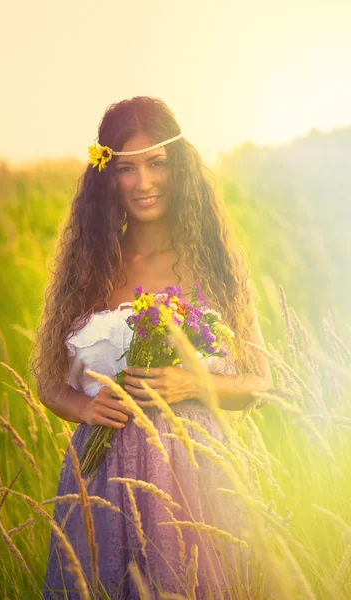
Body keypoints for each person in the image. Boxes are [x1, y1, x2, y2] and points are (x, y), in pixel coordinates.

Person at [30, 96, 273, 599]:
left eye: (156, 164)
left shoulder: (216, 265)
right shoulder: (88, 266)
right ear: (106, 177)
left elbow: (258, 381)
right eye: (126, 169)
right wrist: (87, 407)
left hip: (195, 476)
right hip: (102, 479)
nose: (143, 183)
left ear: (178, 165)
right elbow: (49, 382)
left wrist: (192, 382)